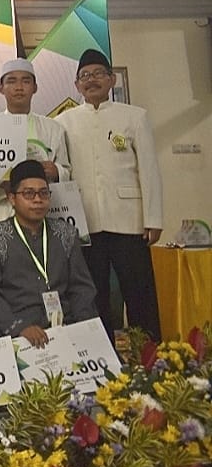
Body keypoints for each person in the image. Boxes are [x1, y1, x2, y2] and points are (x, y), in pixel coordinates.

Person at [55, 48, 163, 339]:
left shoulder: (134, 116)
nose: (91, 80)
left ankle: (148, 353)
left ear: (111, 79)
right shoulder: (64, 122)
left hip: (130, 220)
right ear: (77, 85)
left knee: (139, 291)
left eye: (98, 74)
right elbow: (64, 171)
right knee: (94, 295)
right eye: (84, 76)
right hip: (86, 223)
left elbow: (149, 170)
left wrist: (153, 218)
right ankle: (104, 357)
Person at [0, 160, 97, 345]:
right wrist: (19, 328)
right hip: (18, 333)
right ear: (12, 198)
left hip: (65, 326)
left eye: (43, 193)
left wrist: (84, 329)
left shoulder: (66, 233)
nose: (37, 200)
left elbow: (81, 288)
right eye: (28, 193)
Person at [0, 58, 71, 223]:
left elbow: (66, 170)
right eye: (11, 81)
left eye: (25, 81)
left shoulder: (53, 128)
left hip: (44, 209)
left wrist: (56, 171)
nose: (19, 87)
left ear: (35, 87)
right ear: (1, 88)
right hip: (2, 210)